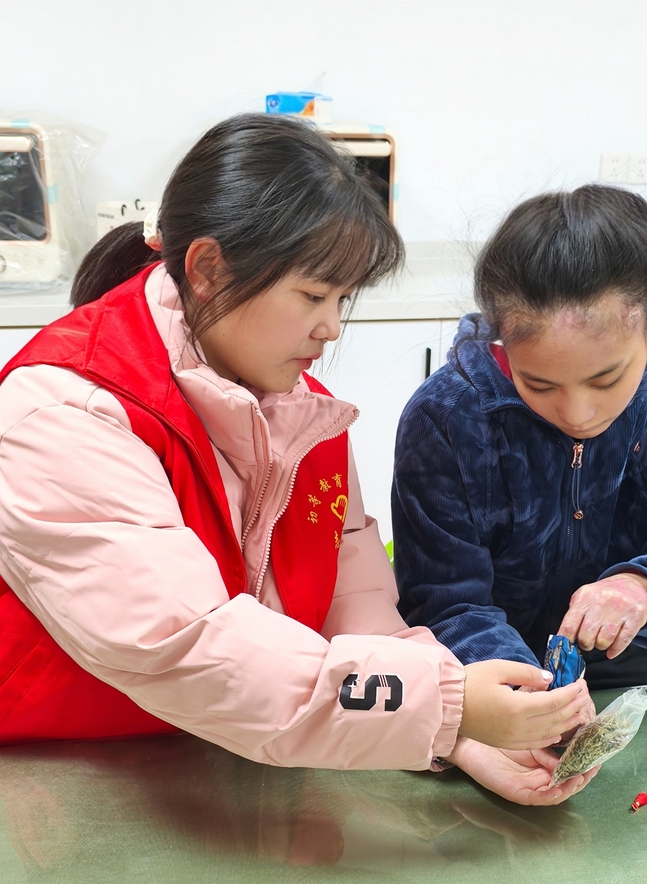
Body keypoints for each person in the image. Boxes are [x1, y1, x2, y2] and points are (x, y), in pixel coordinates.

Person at [0, 113, 596, 806]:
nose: (331, 327)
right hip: (62, 781)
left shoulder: (305, 411)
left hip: (228, 760)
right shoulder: (64, 411)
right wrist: (447, 704)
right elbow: (186, 645)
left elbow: (355, 603)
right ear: (208, 269)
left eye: (343, 298)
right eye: (313, 295)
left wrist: (455, 735)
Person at [392, 184, 647, 690]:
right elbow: (444, 602)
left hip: (629, 650)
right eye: (539, 384)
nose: (577, 414)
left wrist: (646, 588)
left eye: (606, 380)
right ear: (501, 335)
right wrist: (528, 694)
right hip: (481, 663)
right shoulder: (447, 416)